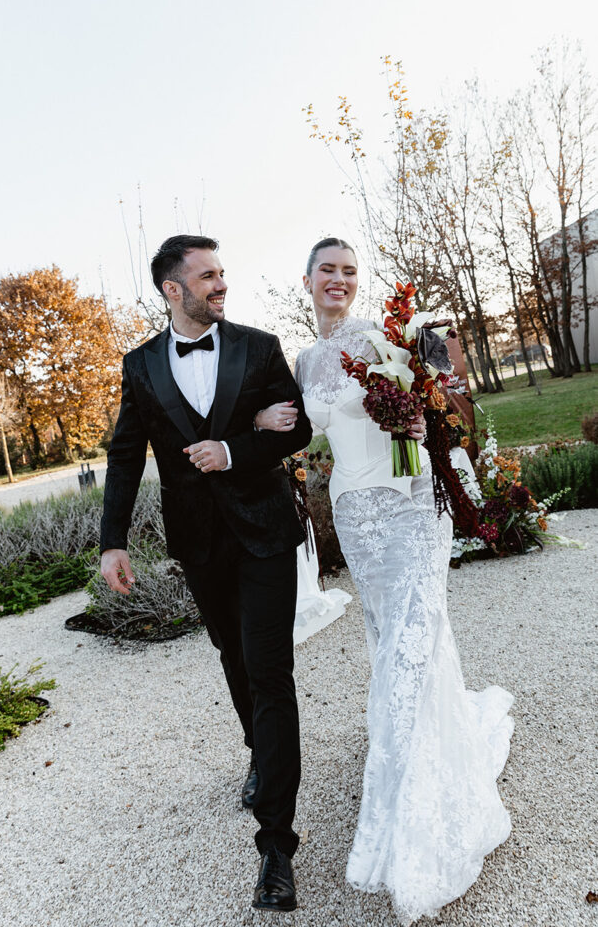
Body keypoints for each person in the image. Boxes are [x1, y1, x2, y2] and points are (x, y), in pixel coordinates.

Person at [256, 237, 514, 926]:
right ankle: (420, 742)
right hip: (355, 514)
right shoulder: (303, 361)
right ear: (307, 280)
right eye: (327, 271)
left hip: (408, 506)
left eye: (349, 271)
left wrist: (420, 412)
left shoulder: (384, 336)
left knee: (411, 638)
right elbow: (300, 429)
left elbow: (439, 403)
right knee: (389, 638)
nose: (338, 280)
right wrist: (262, 419)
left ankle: (409, 797)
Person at [99, 235, 312, 913]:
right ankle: (259, 751)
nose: (221, 284)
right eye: (207, 276)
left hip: (265, 533)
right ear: (173, 289)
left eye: (222, 273)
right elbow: (126, 455)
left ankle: (275, 846)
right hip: (199, 542)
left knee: (270, 669)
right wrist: (112, 542)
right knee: (232, 655)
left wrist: (234, 448)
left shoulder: (259, 346)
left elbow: (297, 429)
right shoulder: (139, 365)